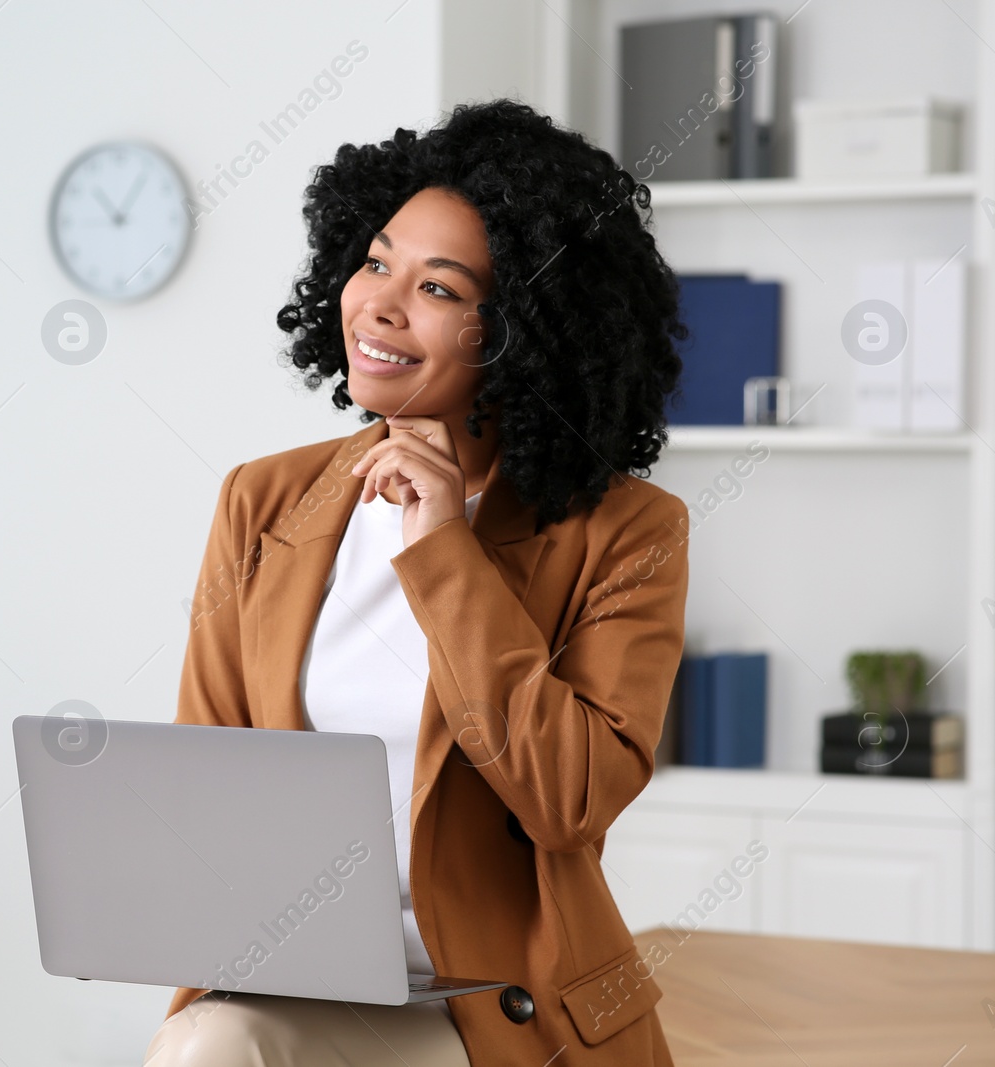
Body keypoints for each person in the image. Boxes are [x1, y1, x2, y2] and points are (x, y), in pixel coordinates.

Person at [144, 98, 689, 1067]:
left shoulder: (624, 531)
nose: (380, 305)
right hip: (299, 990)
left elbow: (569, 799)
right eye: (374, 262)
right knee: (209, 1042)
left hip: (494, 1005)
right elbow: (207, 785)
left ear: (522, 327)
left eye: (439, 287)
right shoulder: (262, 500)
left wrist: (443, 550)